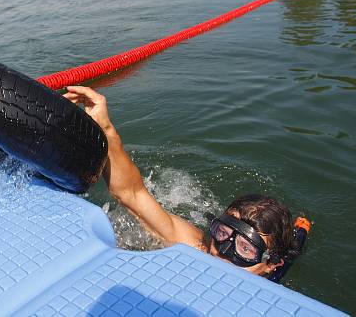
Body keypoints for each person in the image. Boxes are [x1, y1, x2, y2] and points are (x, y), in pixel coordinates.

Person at [63, 86, 306, 280]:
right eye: (222, 233)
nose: (222, 253)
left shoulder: (273, 279)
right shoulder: (198, 247)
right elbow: (131, 194)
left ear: (269, 264)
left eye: (245, 250)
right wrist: (104, 127)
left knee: (298, 237)